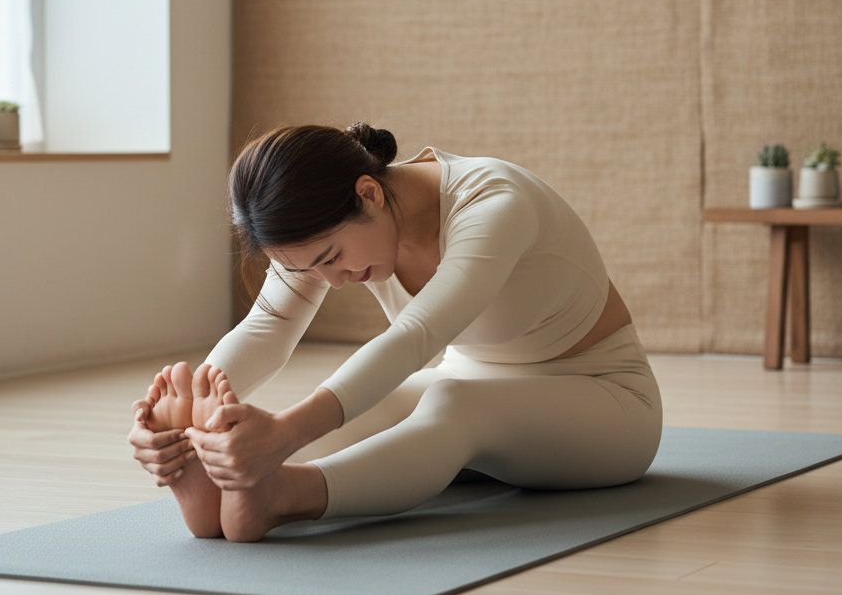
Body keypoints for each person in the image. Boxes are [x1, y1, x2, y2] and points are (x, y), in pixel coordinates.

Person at [127, 123, 662, 542]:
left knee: (445, 401)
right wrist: (192, 417)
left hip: (606, 404)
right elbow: (270, 324)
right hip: (473, 387)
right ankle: (210, 478)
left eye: (331, 258)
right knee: (347, 421)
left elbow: (415, 337)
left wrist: (287, 431)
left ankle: (282, 497)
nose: (331, 283)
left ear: (369, 194)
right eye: (310, 270)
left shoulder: (494, 205)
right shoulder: (328, 229)